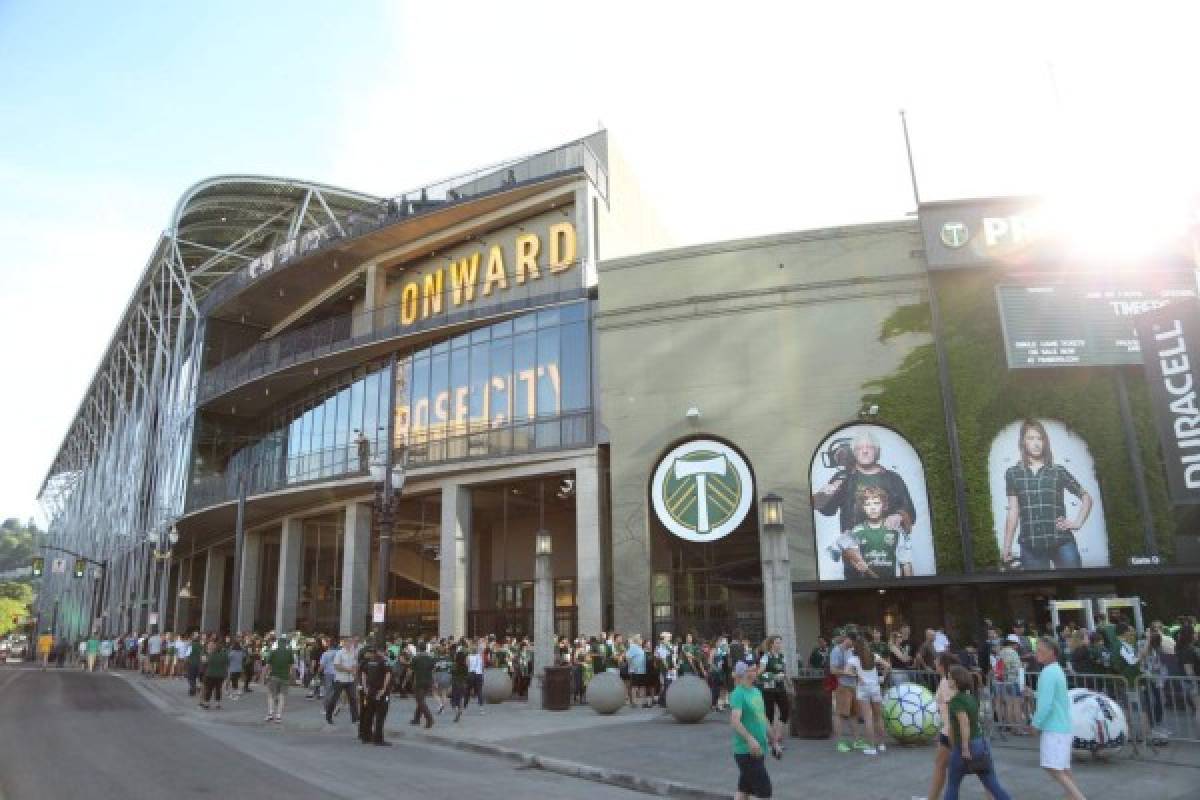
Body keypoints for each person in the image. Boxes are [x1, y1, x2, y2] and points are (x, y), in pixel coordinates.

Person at [1002, 419, 1093, 570]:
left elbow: (1086, 497)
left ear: (1045, 442)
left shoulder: (1058, 471)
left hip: (1061, 541)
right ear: (1023, 442)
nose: (1036, 443)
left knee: (1073, 587)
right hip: (1030, 545)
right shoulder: (1013, 473)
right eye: (1031, 438)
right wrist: (1007, 546)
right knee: (1039, 590)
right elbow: (1013, 511)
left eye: (1040, 438)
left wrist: (1077, 523)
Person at [945, 665, 1012, 800]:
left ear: (955, 681)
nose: (947, 681)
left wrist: (964, 748)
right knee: (993, 785)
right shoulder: (971, 698)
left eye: (949, 678)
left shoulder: (956, 701)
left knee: (953, 784)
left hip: (966, 746)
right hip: (981, 744)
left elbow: (964, 724)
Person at [1032, 638, 1086, 800]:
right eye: (1037, 650)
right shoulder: (1056, 670)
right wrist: (1034, 694)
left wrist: (1035, 723)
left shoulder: (1048, 672)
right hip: (1062, 726)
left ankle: (1077, 797)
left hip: (1054, 727)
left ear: (1052, 653)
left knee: (1053, 767)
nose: (1037, 654)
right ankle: (1072, 796)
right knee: (1062, 768)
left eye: (1041, 651)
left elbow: (1046, 704)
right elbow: (1052, 698)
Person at [730, 661, 772, 800]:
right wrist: (750, 739)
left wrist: (774, 740)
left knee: (744, 790)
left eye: (755, 669)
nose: (755, 672)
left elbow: (762, 717)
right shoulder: (738, 693)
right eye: (752, 670)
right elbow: (735, 721)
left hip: (759, 749)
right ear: (744, 673)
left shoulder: (756, 691)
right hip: (746, 751)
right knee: (765, 791)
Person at [850, 636, 889, 756]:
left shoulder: (854, 659)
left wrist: (857, 675)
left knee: (868, 718)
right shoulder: (874, 656)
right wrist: (882, 677)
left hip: (863, 689)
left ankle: (871, 747)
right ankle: (882, 744)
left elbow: (847, 671)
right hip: (875, 687)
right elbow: (887, 665)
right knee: (878, 717)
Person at [831, 631, 865, 752]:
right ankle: (840, 742)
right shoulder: (836, 651)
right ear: (848, 639)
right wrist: (847, 673)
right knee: (840, 714)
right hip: (842, 686)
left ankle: (856, 741)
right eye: (853, 642)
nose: (854, 645)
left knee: (854, 714)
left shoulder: (851, 651)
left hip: (853, 686)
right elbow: (833, 670)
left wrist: (858, 675)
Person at [756, 635, 790, 759]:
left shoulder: (781, 656)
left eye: (780, 643)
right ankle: (769, 741)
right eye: (777, 643)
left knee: (785, 711)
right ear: (771, 645)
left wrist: (789, 683)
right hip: (768, 689)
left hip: (780, 688)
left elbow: (784, 672)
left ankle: (777, 737)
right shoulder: (766, 657)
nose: (779, 645)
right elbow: (759, 674)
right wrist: (772, 676)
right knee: (769, 714)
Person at [358, 642, 393, 745]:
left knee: (369, 713)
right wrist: (383, 689)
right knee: (380, 715)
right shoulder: (384, 661)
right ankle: (378, 739)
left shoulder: (369, 662)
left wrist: (365, 688)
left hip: (370, 691)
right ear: (383, 651)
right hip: (380, 692)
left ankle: (366, 736)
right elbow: (388, 675)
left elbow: (363, 674)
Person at [325, 636, 359, 726]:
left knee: (353, 699)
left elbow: (355, 664)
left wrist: (354, 671)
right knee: (334, 698)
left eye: (351, 643)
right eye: (348, 643)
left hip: (350, 680)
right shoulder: (339, 653)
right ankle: (329, 716)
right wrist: (348, 670)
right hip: (340, 679)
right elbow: (337, 666)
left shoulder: (353, 653)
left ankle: (355, 719)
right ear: (344, 643)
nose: (350, 645)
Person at [264, 635, 294, 723]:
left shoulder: (273, 651)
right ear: (285, 643)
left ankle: (270, 713)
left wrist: (265, 675)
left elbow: (268, 665)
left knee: (271, 695)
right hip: (285, 677)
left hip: (274, 676)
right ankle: (278, 716)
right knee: (282, 696)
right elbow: (291, 667)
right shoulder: (289, 652)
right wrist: (291, 677)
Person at [410, 641, 435, 728]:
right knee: (421, 700)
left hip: (419, 681)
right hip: (428, 681)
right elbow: (432, 669)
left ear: (418, 648)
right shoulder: (430, 658)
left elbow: (411, 670)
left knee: (420, 701)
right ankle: (416, 718)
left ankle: (429, 719)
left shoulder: (416, 658)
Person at [199, 640, 228, 711]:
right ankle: (216, 704)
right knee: (217, 689)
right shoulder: (224, 654)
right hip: (219, 675)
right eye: (210, 645)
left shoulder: (209, 655)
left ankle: (206, 703)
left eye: (213, 645)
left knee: (209, 689)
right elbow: (226, 663)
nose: (211, 646)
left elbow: (204, 662)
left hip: (209, 674)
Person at [626, 634, 649, 708]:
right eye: (640, 639)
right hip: (636, 670)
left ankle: (644, 702)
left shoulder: (639, 648)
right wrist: (632, 667)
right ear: (637, 640)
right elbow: (628, 657)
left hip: (642, 670)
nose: (642, 640)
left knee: (642, 686)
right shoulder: (633, 647)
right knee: (635, 686)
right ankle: (633, 702)